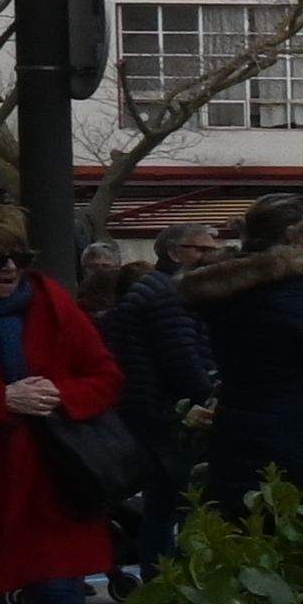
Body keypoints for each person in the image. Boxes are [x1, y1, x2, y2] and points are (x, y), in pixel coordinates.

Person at [0, 205, 128, 604]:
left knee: (60, 593)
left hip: (47, 481)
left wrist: (58, 396)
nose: (9, 270)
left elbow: (105, 375)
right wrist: (1, 400)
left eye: (18, 258)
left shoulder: (52, 302)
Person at [88, 221, 218, 579]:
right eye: (201, 249)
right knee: (174, 503)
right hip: (167, 413)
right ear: (175, 252)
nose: (210, 256)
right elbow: (181, 356)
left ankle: (160, 575)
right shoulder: (169, 294)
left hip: (150, 408)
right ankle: (168, 577)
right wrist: (209, 396)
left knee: (162, 505)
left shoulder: (152, 291)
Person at [186, 191, 303, 518]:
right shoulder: (298, 294)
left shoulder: (225, 289)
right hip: (294, 434)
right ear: (293, 236)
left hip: (235, 428)